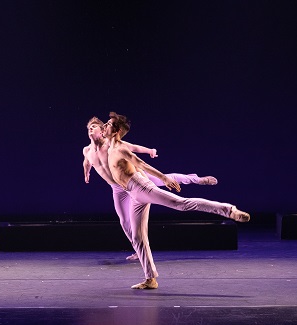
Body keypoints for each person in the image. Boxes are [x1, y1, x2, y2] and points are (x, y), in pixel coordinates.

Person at [103, 111, 250, 290]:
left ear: (116, 131)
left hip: (141, 187)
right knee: (137, 237)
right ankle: (150, 279)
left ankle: (229, 210)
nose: (104, 126)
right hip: (132, 194)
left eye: (108, 124)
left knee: (181, 204)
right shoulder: (110, 146)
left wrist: (164, 178)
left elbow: (141, 164)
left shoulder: (120, 148)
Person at [83, 116, 217, 260]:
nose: (90, 128)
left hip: (134, 178)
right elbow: (87, 162)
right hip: (117, 188)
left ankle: (196, 179)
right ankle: (137, 249)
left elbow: (133, 148)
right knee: (124, 221)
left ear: (102, 130)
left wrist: (149, 151)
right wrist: (87, 173)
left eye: (94, 126)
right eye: (89, 127)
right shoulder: (86, 150)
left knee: (166, 178)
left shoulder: (111, 145)